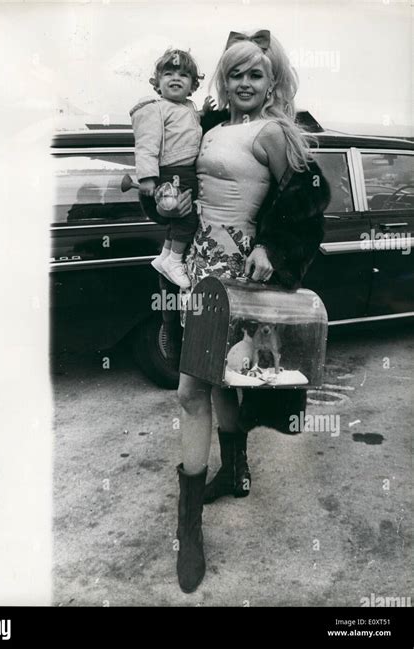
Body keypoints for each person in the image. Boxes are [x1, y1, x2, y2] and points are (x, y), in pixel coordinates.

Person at [140, 30, 331, 594]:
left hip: (235, 275)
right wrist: (162, 200)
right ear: (222, 81)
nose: (245, 83)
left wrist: (274, 247)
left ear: (273, 82)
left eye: (256, 74)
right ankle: (235, 471)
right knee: (216, 380)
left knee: (190, 392)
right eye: (236, 74)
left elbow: (309, 197)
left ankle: (189, 527)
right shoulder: (211, 127)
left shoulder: (272, 131)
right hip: (199, 266)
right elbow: (178, 185)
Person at [130, 48, 215, 289]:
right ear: (157, 83)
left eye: (184, 75)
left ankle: (165, 256)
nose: (176, 78)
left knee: (177, 221)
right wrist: (147, 177)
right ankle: (175, 261)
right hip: (172, 171)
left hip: (185, 170)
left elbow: (189, 121)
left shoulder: (186, 106)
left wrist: (204, 113)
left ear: (193, 86)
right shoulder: (155, 108)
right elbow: (147, 145)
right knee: (187, 220)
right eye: (168, 73)